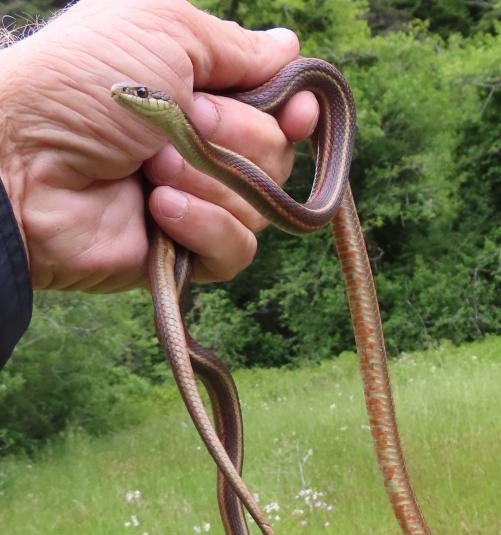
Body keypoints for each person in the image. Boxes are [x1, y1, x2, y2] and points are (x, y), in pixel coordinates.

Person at [0, 0, 318, 368]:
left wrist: (14, 166)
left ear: (160, 101)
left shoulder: (176, 103)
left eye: (139, 93)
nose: (124, 93)